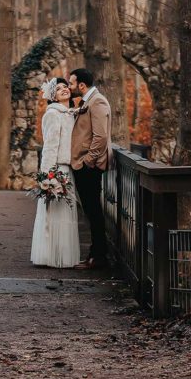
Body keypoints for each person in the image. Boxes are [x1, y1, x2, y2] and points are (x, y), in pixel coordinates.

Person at [30, 78, 81, 268]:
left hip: (68, 169)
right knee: (55, 214)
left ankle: (63, 255)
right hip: (57, 170)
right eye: (58, 89)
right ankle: (51, 256)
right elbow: (50, 147)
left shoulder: (70, 113)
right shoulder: (52, 114)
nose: (64, 89)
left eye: (65, 86)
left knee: (66, 215)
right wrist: (47, 176)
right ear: (53, 96)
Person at [68, 68, 111, 270]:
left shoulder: (97, 101)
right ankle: (95, 254)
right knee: (91, 211)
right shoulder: (87, 101)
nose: (70, 87)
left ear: (81, 85)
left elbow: (100, 137)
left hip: (89, 167)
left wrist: (88, 161)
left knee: (93, 212)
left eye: (71, 83)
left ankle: (99, 256)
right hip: (84, 165)